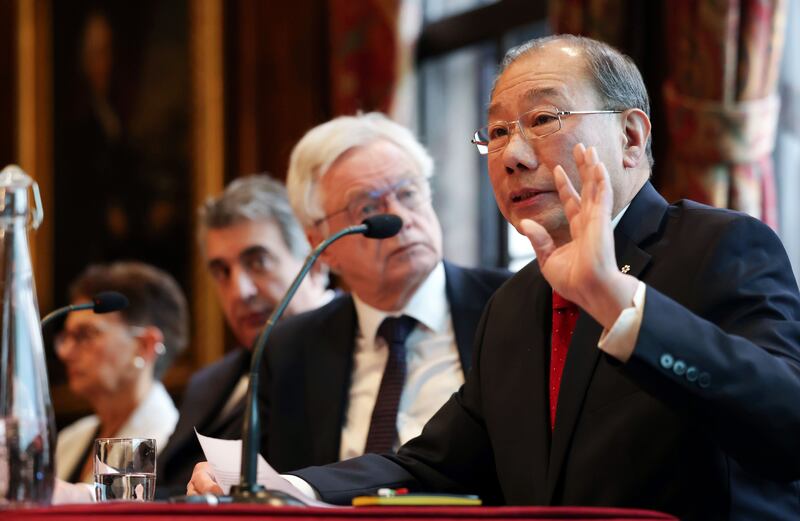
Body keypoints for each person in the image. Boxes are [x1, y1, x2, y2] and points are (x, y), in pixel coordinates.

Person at [191, 36, 800, 519]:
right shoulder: (514, 305)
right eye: (499, 131)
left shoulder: (718, 246)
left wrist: (621, 305)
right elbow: (432, 466)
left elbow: (785, 423)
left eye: (542, 118)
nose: (512, 154)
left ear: (631, 137)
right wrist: (290, 486)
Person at [185, 112, 510, 494]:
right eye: (368, 208)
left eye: (408, 193)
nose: (401, 218)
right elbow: (268, 481)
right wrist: (224, 482)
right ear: (321, 245)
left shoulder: (508, 306)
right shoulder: (290, 349)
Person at [156, 175, 333, 494]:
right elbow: (166, 486)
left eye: (258, 262)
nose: (240, 291)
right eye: (222, 272)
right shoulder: (207, 383)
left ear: (316, 263)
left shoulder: (358, 348)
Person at [55, 261, 189, 484]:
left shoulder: (167, 441)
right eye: (65, 337)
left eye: (86, 335)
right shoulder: (69, 439)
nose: (66, 352)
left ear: (144, 346)